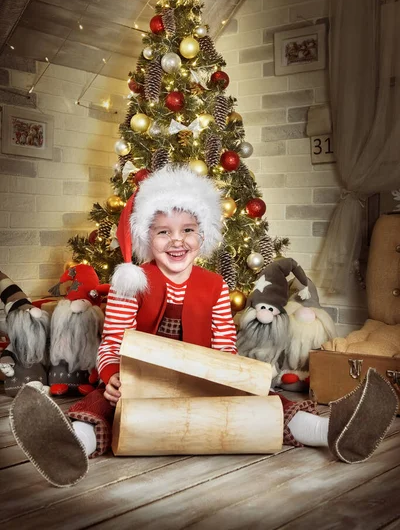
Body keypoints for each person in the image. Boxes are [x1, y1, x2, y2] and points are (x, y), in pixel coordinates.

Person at [9, 166, 398, 488]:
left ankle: (327, 430)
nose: (176, 241)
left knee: (266, 401)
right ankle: (72, 443)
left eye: (188, 230)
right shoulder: (132, 282)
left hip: (200, 381)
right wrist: (112, 376)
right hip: (141, 383)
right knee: (102, 403)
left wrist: (231, 379)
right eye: (163, 231)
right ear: (147, 236)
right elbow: (112, 343)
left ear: (203, 235)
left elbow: (225, 347)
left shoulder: (214, 285)